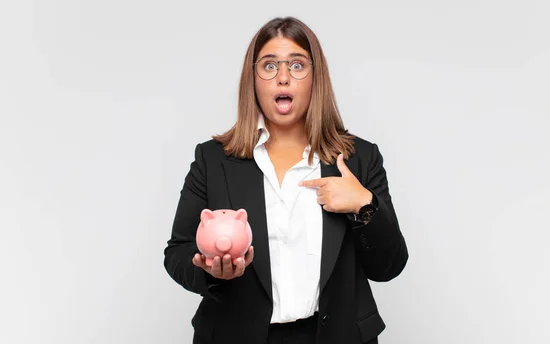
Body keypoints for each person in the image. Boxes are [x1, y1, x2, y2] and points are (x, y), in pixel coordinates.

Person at [163, 16, 409, 344]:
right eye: (269, 66)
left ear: (315, 77)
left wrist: (365, 206)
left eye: (296, 65)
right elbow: (178, 252)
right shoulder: (213, 160)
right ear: (252, 80)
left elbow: (388, 267)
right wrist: (211, 271)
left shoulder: (358, 158)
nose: (282, 78)